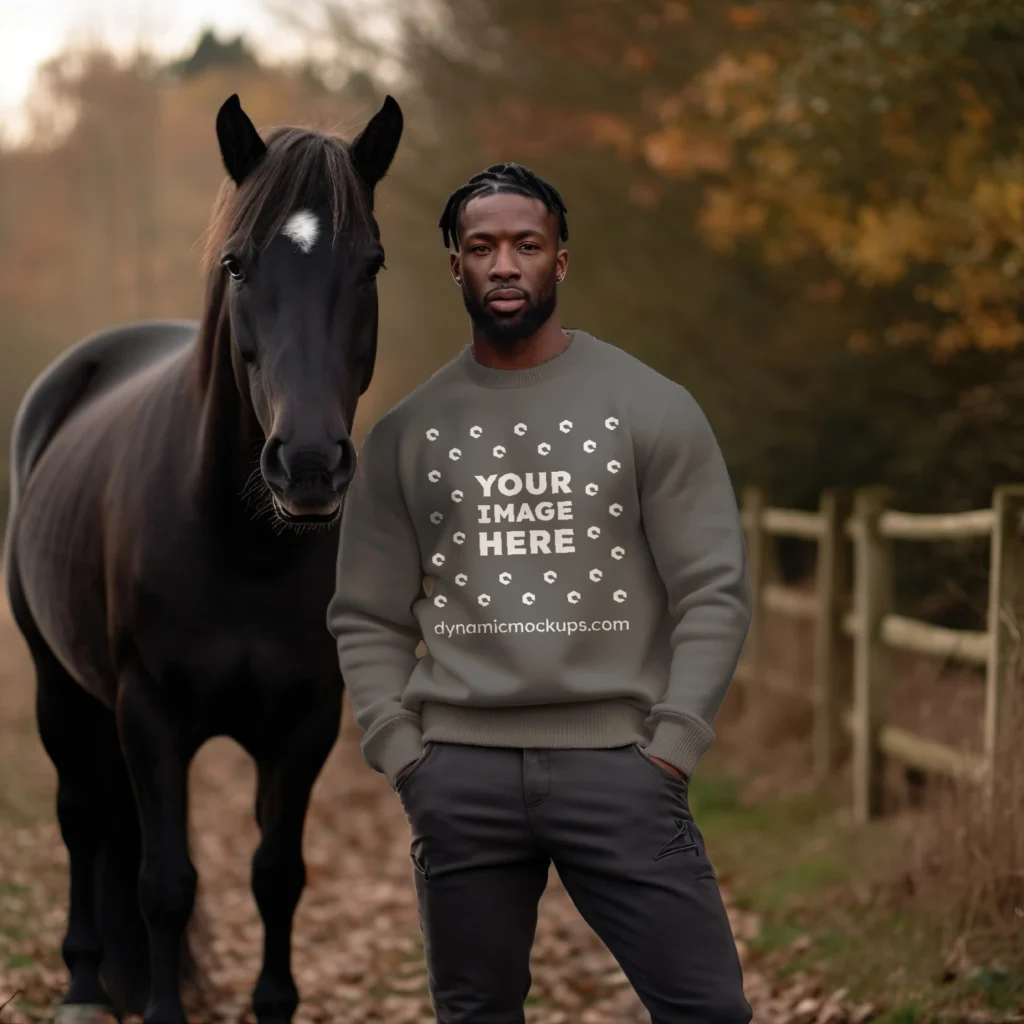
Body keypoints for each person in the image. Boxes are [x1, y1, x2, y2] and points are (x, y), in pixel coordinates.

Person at [327, 162, 754, 1024]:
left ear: (562, 260)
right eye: (482, 248)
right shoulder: (408, 434)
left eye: (528, 245)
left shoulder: (650, 407)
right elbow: (366, 615)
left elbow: (713, 588)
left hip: (623, 770)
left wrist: (673, 744)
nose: (506, 265)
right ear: (455, 263)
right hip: (460, 777)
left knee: (710, 1012)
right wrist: (403, 753)